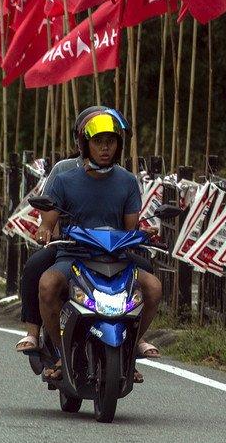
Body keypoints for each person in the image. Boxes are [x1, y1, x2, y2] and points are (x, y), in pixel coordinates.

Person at [13, 106, 162, 383]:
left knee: (153, 286)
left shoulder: (128, 182)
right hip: (74, 255)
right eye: (98, 141)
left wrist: (146, 232)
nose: (105, 148)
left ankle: (130, 348)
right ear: (84, 144)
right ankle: (57, 351)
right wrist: (44, 231)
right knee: (46, 283)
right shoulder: (65, 178)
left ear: (119, 145)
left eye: (111, 142)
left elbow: (131, 227)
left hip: (115, 256)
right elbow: (47, 222)